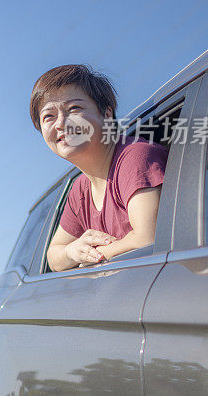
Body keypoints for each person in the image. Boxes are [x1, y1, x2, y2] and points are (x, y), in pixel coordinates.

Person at [29, 64, 168, 272]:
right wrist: (73, 251)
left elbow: (148, 238)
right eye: (49, 116)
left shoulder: (135, 157)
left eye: (74, 109)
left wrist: (92, 258)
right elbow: (54, 256)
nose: (60, 124)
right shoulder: (79, 190)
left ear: (107, 114)